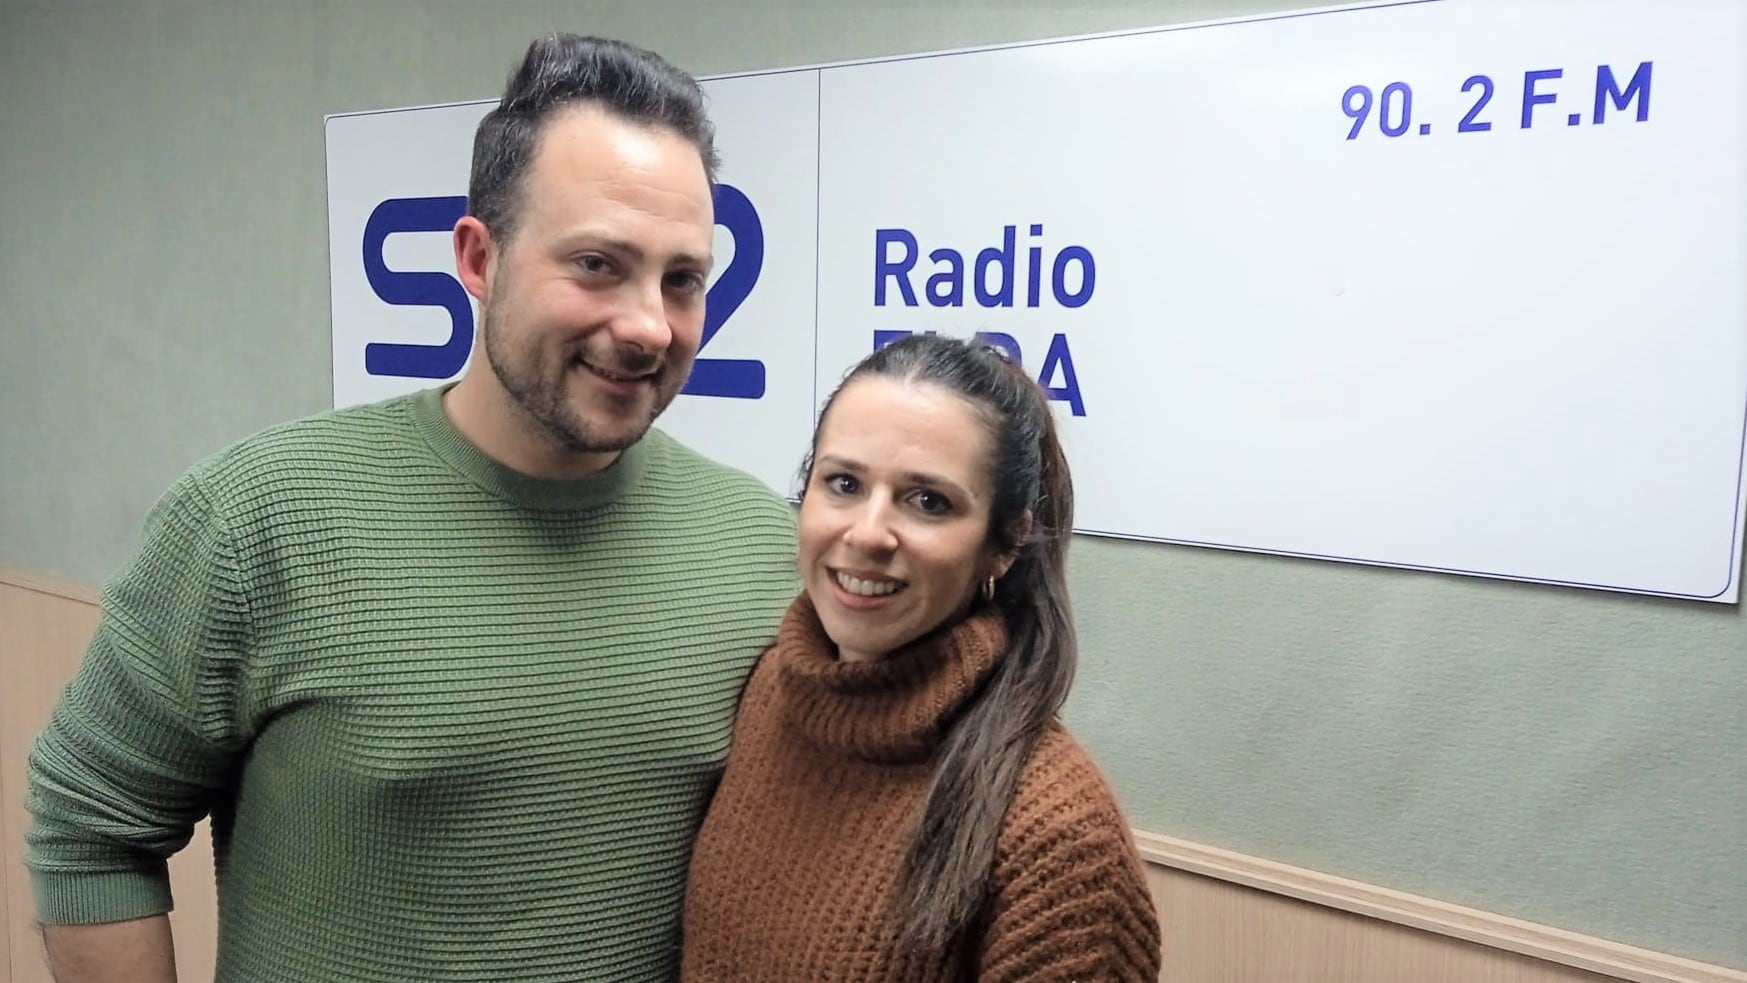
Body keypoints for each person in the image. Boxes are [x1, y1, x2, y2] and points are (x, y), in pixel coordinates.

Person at [24, 34, 798, 983]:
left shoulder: (763, 546)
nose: (648, 324)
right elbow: (91, 826)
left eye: (682, 279)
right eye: (597, 263)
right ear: (478, 257)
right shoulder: (257, 518)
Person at [682, 333, 1162, 981]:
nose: (867, 533)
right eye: (843, 483)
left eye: (928, 501)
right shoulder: (769, 688)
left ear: (1004, 544)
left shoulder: (1055, 833)